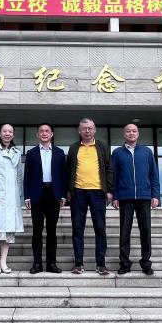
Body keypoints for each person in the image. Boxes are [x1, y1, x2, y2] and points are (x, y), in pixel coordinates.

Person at [112, 123, 161, 276]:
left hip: (144, 197)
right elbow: (114, 177)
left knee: (145, 230)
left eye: (134, 131)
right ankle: (124, 263)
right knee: (124, 231)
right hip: (125, 197)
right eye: (128, 131)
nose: (131, 133)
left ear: (138, 134)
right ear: (124, 134)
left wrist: (155, 195)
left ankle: (146, 263)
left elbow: (154, 175)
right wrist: (115, 196)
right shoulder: (117, 153)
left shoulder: (147, 152)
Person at [66, 117, 113, 275]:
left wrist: (109, 190)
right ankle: (78, 264)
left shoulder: (102, 146)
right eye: (84, 128)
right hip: (78, 192)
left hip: (98, 192)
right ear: (79, 131)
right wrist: (68, 190)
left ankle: (101, 264)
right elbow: (68, 170)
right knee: (77, 229)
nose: (87, 131)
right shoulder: (74, 148)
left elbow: (109, 169)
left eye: (90, 128)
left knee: (100, 229)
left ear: (95, 130)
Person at [23, 123, 69, 274]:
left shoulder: (59, 153)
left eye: (47, 131)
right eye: (41, 131)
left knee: (51, 230)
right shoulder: (31, 153)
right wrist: (27, 196)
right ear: (37, 134)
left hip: (54, 194)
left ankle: (51, 263)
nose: (44, 133)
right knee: (37, 230)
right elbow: (27, 176)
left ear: (52, 134)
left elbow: (63, 175)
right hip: (37, 194)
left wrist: (63, 194)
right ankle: (37, 263)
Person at [0, 123, 24, 274]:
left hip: (12, 197)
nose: (7, 133)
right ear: (0, 133)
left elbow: (19, 176)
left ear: (13, 134)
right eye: (5, 131)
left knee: (8, 230)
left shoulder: (17, 153)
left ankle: (3, 262)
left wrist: (20, 197)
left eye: (10, 131)